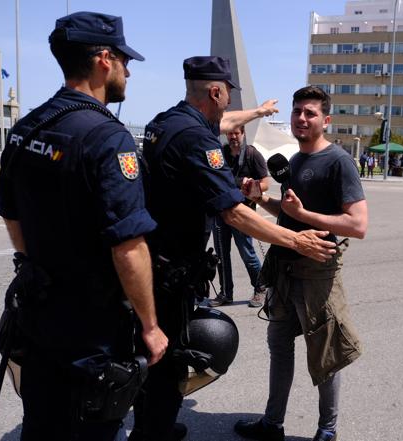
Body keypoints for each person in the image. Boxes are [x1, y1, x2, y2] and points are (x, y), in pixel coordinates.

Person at [131, 58, 336, 441]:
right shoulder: (197, 139)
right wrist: (296, 239)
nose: (228, 105)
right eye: (226, 94)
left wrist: (257, 112)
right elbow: (234, 213)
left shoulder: (167, 121)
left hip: (152, 259)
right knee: (170, 358)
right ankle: (151, 432)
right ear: (216, 91)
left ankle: (149, 424)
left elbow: (223, 123)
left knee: (152, 353)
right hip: (170, 270)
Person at [0, 12, 168, 440]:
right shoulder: (108, 137)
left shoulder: (26, 128)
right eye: (125, 61)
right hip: (90, 331)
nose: (128, 71)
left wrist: (33, 262)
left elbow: (11, 213)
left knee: (42, 424)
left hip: (37, 313)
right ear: (103, 60)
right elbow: (128, 246)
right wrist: (150, 325)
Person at [234, 86, 367, 441]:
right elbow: (289, 215)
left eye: (309, 113)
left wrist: (304, 213)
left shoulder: (339, 161)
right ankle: (272, 423)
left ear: (325, 120)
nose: (301, 119)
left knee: (325, 355)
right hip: (285, 270)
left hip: (317, 273)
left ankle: (327, 429)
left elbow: (358, 225)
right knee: (279, 348)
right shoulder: (294, 161)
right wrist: (261, 198)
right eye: (297, 112)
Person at [210, 125, 270, 308]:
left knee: (247, 253)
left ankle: (260, 288)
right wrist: (238, 182)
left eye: (237, 133)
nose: (233, 137)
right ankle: (226, 293)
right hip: (221, 212)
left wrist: (252, 187)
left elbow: (266, 183)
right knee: (221, 255)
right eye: (230, 133)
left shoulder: (252, 154)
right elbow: (214, 176)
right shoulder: (220, 153)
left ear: (243, 133)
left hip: (243, 212)